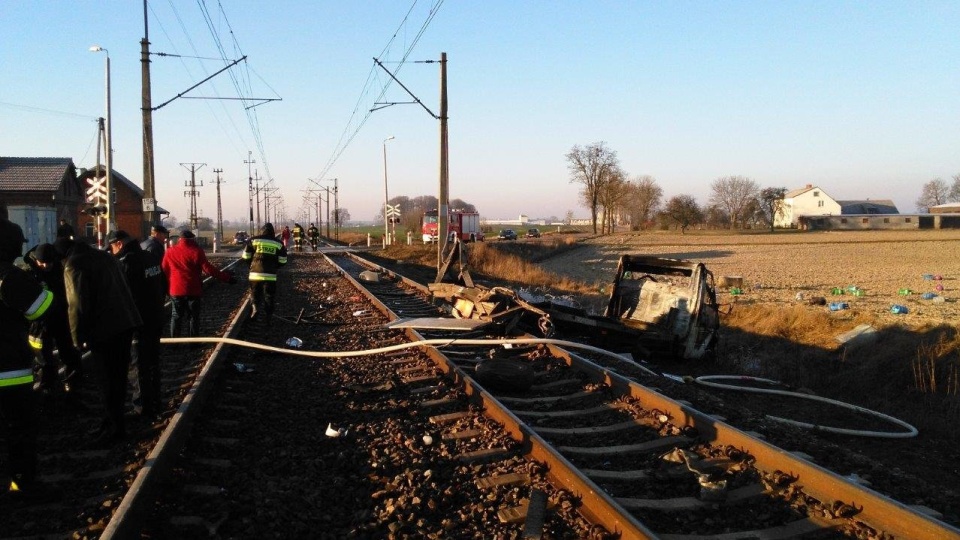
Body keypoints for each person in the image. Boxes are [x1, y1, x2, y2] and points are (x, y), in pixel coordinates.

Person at [57, 237, 142, 447]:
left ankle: (114, 428)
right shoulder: (106, 256)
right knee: (118, 379)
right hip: (125, 322)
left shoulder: (73, 264)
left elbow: (76, 305)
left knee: (107, 382)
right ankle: (114, 423)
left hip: (105, 330)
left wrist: (77, 338)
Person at [0, 219, 55, 498]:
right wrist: (40, 284)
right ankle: (22, 483)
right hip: (9, 371)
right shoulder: (9, 276)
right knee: (19, 430)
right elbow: (40, 309)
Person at [108, 230, 166, 418]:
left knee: (138, 366)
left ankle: (142, 406)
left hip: (137, 322)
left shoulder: (125, 264)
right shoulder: (149, 257)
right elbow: (163, 285)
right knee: (153, 363)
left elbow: (120, 298)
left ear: (119, 244)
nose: (111, 251)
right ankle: (156, 401)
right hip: (156, 317)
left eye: (112, 247)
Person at [22, 243, 84, 402]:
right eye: (42, 263)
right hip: (39, 324)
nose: (45, 266)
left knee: (70, 354)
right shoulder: (28, 273)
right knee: (44, 360)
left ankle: (72, 387)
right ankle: (46, 390)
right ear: (36, 260)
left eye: (48, 263)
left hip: (61, 319)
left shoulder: (61, 268)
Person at [161, 230, 236, 338]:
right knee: (193, 317)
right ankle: (193, 342)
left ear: (180, 239)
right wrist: (227, 278)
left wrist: (170, 283)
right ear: (192, 239)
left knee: (176, 316)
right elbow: (208, 270)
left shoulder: (169, 251)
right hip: (193, 290)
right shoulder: (196, 251)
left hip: (176, 290)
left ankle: (174, 343)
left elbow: (164, 269)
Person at [242, 222, 287, 325]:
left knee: (255, 293)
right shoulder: (278, 243)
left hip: (255, 274)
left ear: (262, 230)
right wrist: (276, 266)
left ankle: (255, 308)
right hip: (270, 275)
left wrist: (251, 265)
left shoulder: (253, 240)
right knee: (269, 296)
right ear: (272, 232)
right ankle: (268, 318)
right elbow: (283, 260)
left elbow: (245, 256)